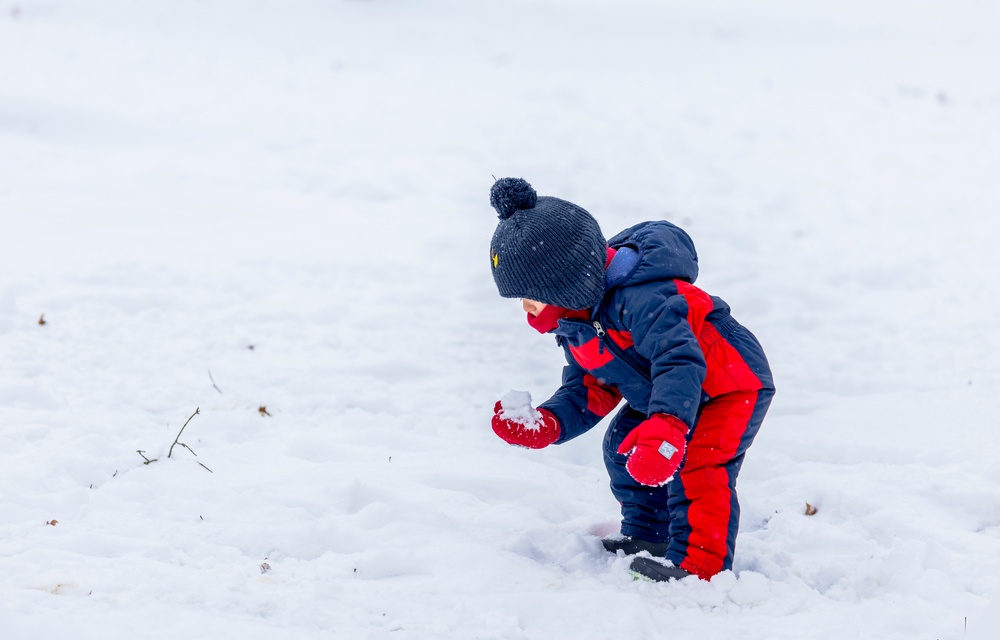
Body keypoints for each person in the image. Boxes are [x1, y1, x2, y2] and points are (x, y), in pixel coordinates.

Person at [487, 177, 774, 582]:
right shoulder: (577, 323)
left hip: (727, 385)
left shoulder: (645, 297)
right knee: (622, 447)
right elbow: (590, 386)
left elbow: (679, 361)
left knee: (699, 463)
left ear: (567, 281)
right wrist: (548, 423)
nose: (527, 309)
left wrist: (668, 428)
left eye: (531, 296)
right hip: (662, 393)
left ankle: (700, 566)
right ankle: (651, 535)